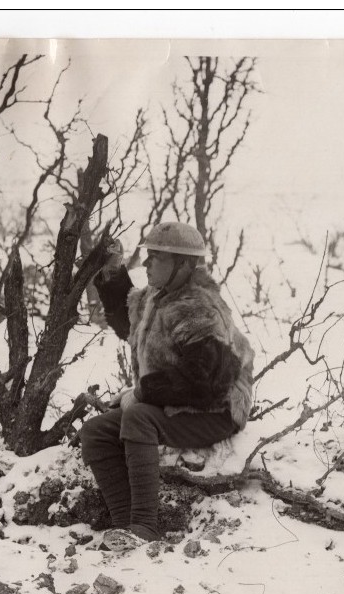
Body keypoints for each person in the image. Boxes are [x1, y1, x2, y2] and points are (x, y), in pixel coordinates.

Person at [79, 222, 254, 552]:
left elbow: (208, 383)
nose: (145, 264)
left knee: (138, 418)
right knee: (96, 432)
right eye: (147, 257)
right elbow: (124, 322)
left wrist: (141, 393)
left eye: (156, 258)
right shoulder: (157, 298)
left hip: (217, 409)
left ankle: (145, 526)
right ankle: (123, 526)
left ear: (184, 265)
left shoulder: (200, 308)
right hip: (180, 402)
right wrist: (114, 272)